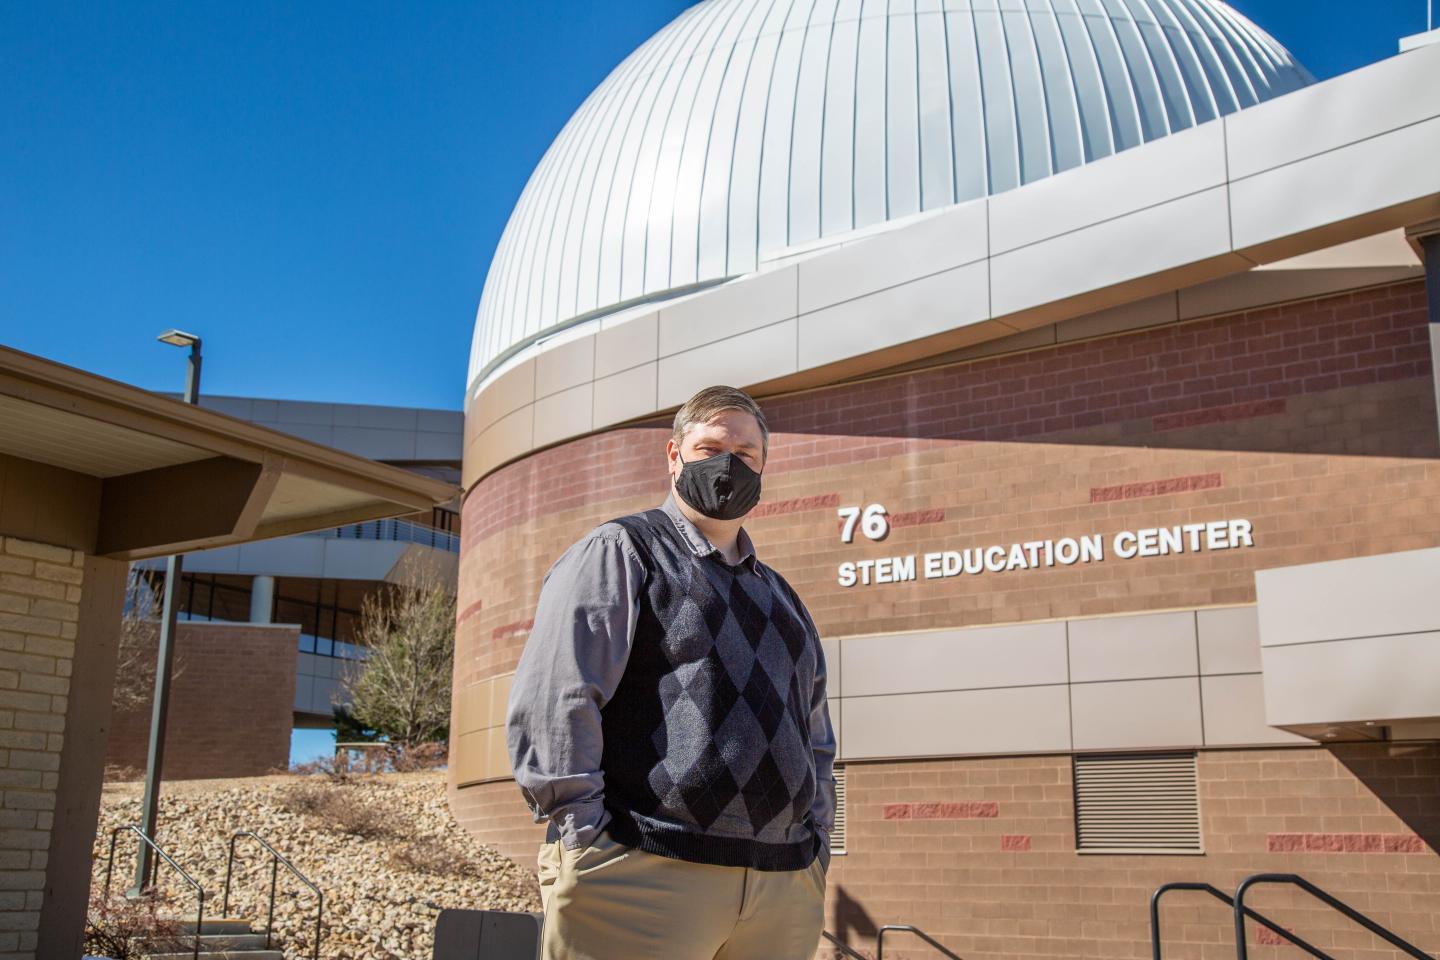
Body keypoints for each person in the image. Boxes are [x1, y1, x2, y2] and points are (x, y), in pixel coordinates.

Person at [505, 384, 837, 960]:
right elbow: (556, 699)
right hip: (642, 874)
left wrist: (815, 850)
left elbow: (817, 739)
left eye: (746, 454)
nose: (728, 465)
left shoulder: (783, 598)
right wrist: (585, 838)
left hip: (781, 889)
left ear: (764, 466)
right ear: (674, 455)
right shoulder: (622, 551)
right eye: (709, 448)